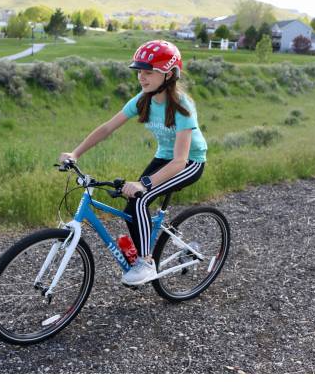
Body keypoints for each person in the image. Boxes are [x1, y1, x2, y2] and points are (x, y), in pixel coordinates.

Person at [57, 40, 208, 285]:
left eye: (148, 72)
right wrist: (76, 153)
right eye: (139, 72)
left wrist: (144, 183)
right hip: (164, 158)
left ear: (169, 74)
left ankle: (146, 263)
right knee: (132, 206)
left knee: (140, 196)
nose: (141, 77)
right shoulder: (142, 99)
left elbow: (180, 161)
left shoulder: (182, 107)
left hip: (190, 161)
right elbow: (107, 128)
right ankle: (143, 249)